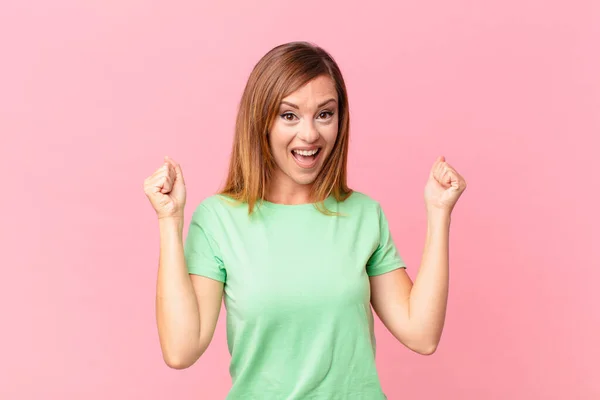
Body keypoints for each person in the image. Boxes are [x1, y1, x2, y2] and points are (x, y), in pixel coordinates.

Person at [143, 41, 467, 399]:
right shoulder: (219, 219)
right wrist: (169, 221)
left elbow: (421, 334)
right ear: (261, 121)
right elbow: (181, 349)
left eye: (325, 114)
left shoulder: (363, 214)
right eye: (289, 115)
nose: (310, 134)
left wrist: (439, 213)